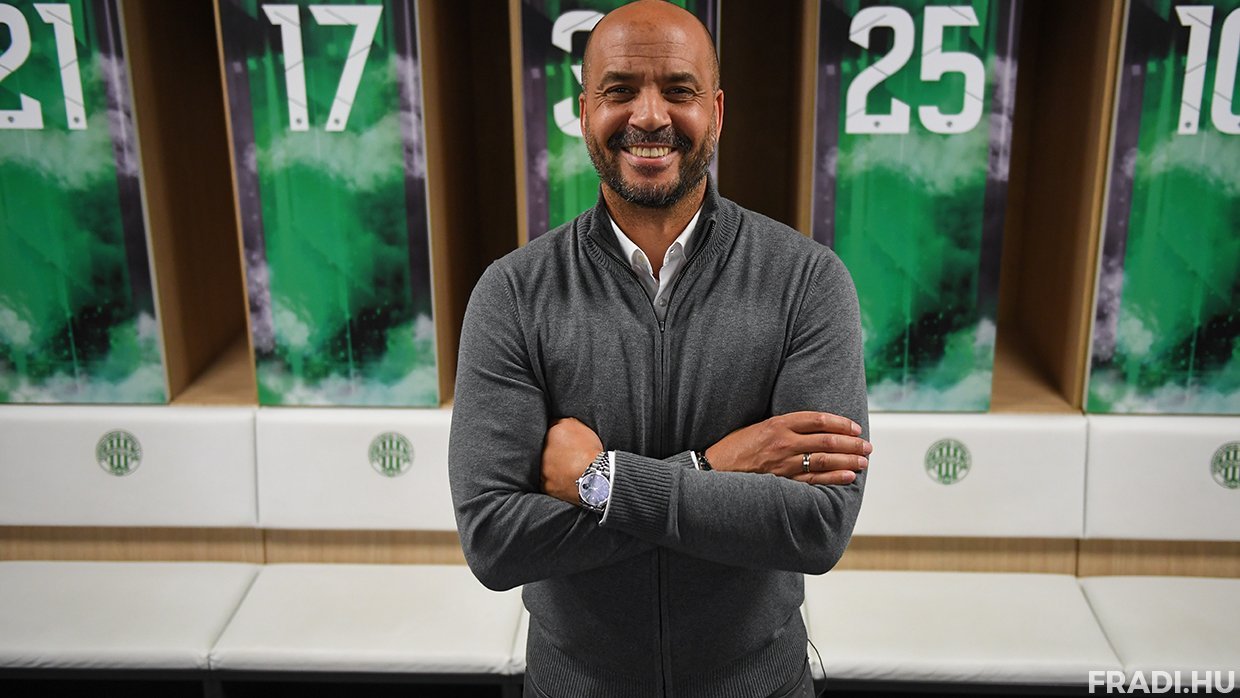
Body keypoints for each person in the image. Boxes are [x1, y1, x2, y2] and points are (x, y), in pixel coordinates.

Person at [448, 1, 870, 696]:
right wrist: (712, 469)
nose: (649, 116)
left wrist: (600, 482)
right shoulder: (514, 293)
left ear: (717, 111)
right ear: (584, 111)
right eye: (619, 91)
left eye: (679, 90)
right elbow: (495, 540)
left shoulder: (806, 281)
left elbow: (816, 526)